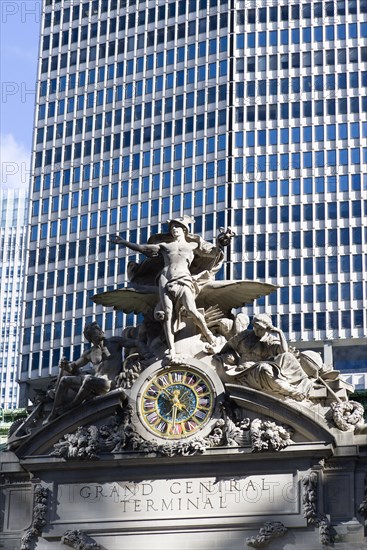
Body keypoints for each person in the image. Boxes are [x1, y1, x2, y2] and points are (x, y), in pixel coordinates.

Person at [111, 217, 232, 360]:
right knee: (168, 315)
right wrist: (124, 242)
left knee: (192, 310)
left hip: (183, 278)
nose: (174, 230)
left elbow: (214, 253)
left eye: (177, 227)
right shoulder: (165, 246)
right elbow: (144, 248)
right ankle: (172, 349)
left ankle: (209, 335)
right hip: (165, 279)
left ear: (184, 230)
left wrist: (222, 241)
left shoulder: (193, 245)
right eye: (172, 228)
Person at [216, 313, 315, 401]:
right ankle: (293, 392)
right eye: (255, 327)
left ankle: (298, 387)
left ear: (267, 329)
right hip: (243, 371)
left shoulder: (270, 339)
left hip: (258, 369)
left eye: (260, 329)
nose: (257, 330)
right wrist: (216, 352)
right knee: (266, 369)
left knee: (283, 359)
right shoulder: (245, 335)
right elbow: (228, 346)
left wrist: (280, 333)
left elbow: (283, 351)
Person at [46, 322, 127, 422]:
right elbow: (73, 367)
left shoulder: (115, 342)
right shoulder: (89, 353)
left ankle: (72, 406)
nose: (100, 332)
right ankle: (53, 413)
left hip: (108, 383)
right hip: (95, 380)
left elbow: (135, 343)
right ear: (91, 338)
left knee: (88, 379)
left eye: (99, 330)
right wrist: (65, 365)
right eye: (95, 332)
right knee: (64, 380)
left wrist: (145, 353)